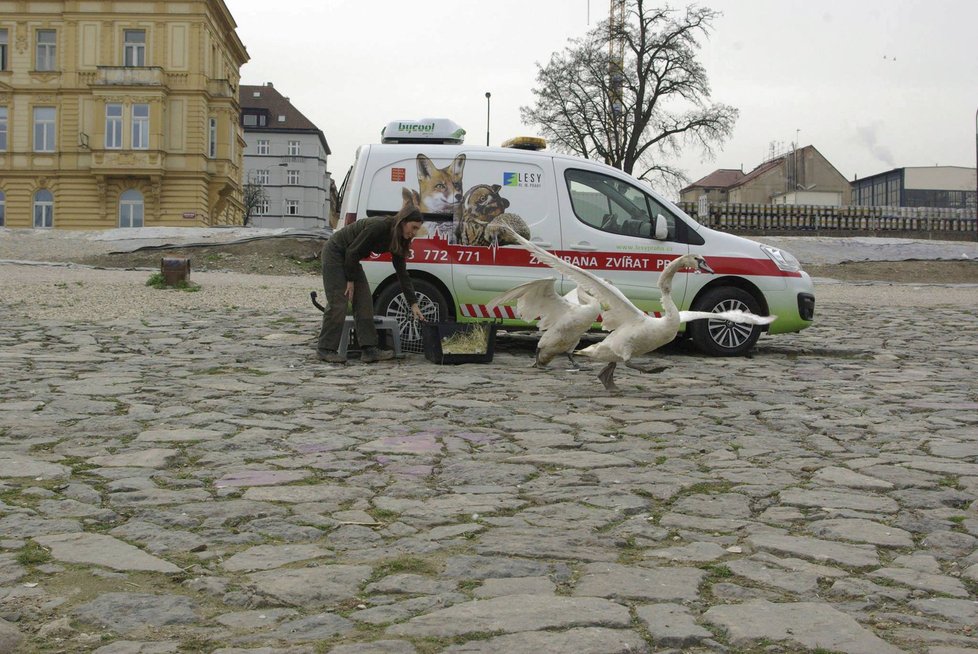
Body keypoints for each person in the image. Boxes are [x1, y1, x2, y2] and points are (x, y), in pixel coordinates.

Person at [316, 198, 425, 363]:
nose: (415, 232)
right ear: (403, 222)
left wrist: (413, 303)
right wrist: (350, 280)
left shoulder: (399, 238)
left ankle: (369, 350)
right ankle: (325, 349)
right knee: (339, 301)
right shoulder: (379, 226)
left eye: (418, 229)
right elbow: (352, 251)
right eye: (414, 227)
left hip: (350, 258)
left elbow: (402, 273)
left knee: (365, 301)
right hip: (336, 252)